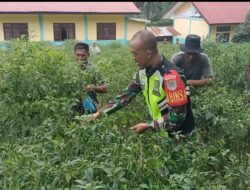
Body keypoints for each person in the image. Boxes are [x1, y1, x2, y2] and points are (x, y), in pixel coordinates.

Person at [91, 30, 195, 138]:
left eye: (135, 53)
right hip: (163, 132)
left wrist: (148, 126)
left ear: (148, 54)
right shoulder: (143, 71)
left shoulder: (170, 77)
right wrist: (99, 113)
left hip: (181, 138)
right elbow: (126, 95)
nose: (133, 57)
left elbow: (177, 117)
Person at [73, 42, 108, 115]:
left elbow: (105, 88)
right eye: (78, 55)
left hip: (90, 108)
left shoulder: (93, 69)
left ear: (88, 55)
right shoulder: (69, 70)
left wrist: (93, 87)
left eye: (83, 55)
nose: (80, 58)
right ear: (74, 55)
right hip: (73, 109)